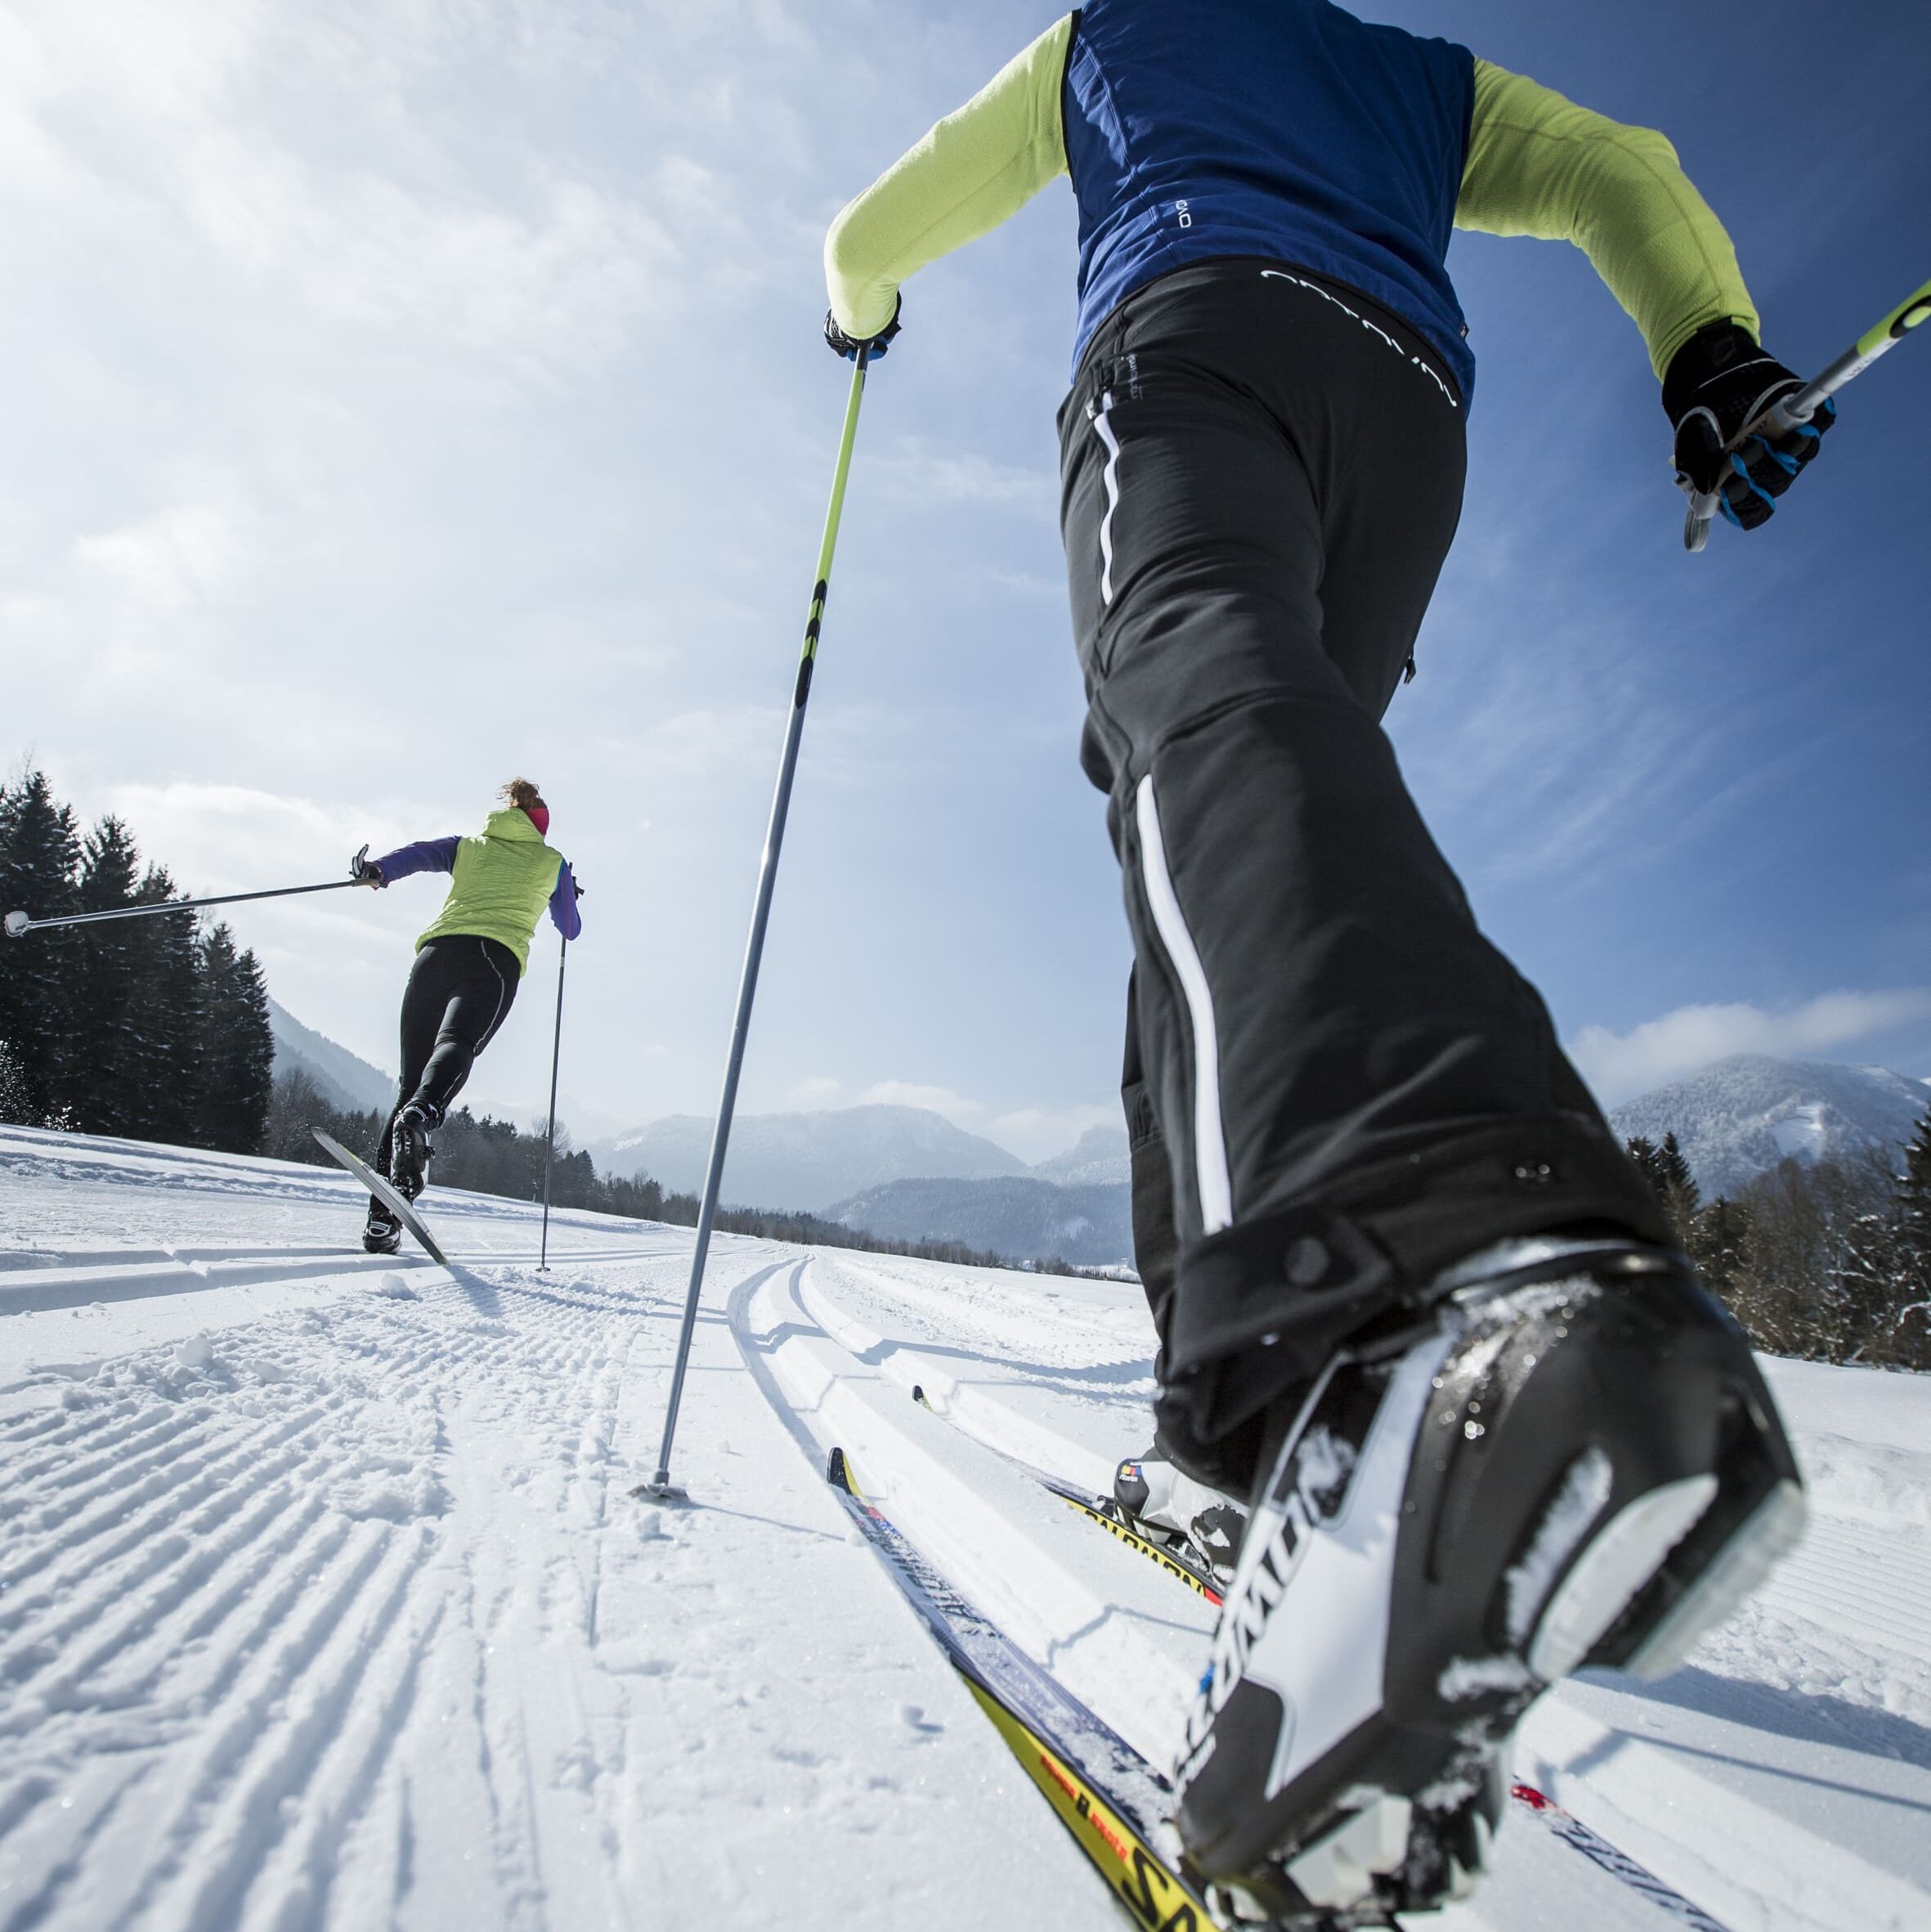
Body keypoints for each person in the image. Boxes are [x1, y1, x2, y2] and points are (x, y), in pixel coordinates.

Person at [822, 4, 1817, 1919]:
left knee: (1196, 710)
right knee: (1227, 856)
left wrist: (860, 315)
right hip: (1404, 430)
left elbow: (867, 232)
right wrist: (1705, 348)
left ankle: (1444, 1269)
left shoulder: (1110, 39)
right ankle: (1258, 1430)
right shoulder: (1418, 83)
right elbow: (1631, 172)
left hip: (1194, 349)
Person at [350, 778, 581, 1253]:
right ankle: (425, 1112)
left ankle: (381, 1221)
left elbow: (418, 854)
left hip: (434, 957)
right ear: (540, 827)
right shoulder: (552, 862)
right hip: (493, 963)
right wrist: (568, 893)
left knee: (407, 1084)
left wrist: (378, 870)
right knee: (456, 1044)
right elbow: (569, 929)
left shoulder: (468, 846)